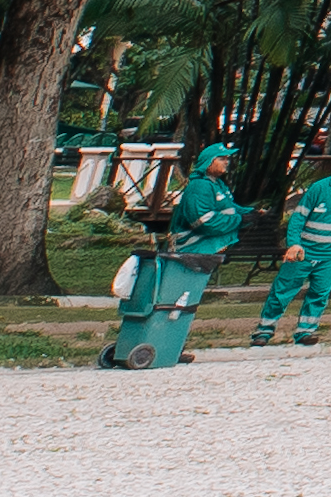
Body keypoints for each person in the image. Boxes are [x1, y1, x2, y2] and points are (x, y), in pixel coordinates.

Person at [101, 143, 245, 373]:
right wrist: (240, 221)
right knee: (177, 300)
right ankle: (163, 344)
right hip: (191, 250)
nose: (226, 162)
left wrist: (249, 213)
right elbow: (203, 221)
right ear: (209, 162)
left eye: (227, 159)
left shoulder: (217, 185)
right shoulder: (199, 187)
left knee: (182, 301)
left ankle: (171, 345)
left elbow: (231, 208)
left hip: (202, 252)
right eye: (222, 159)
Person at [253, 138, 331, 349]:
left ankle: (306, 331)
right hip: (305, 250)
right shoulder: (319, 188)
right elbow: (298, 218)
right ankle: (264, 330)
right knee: (283, 290)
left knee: (320, 292)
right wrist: (294, 244)